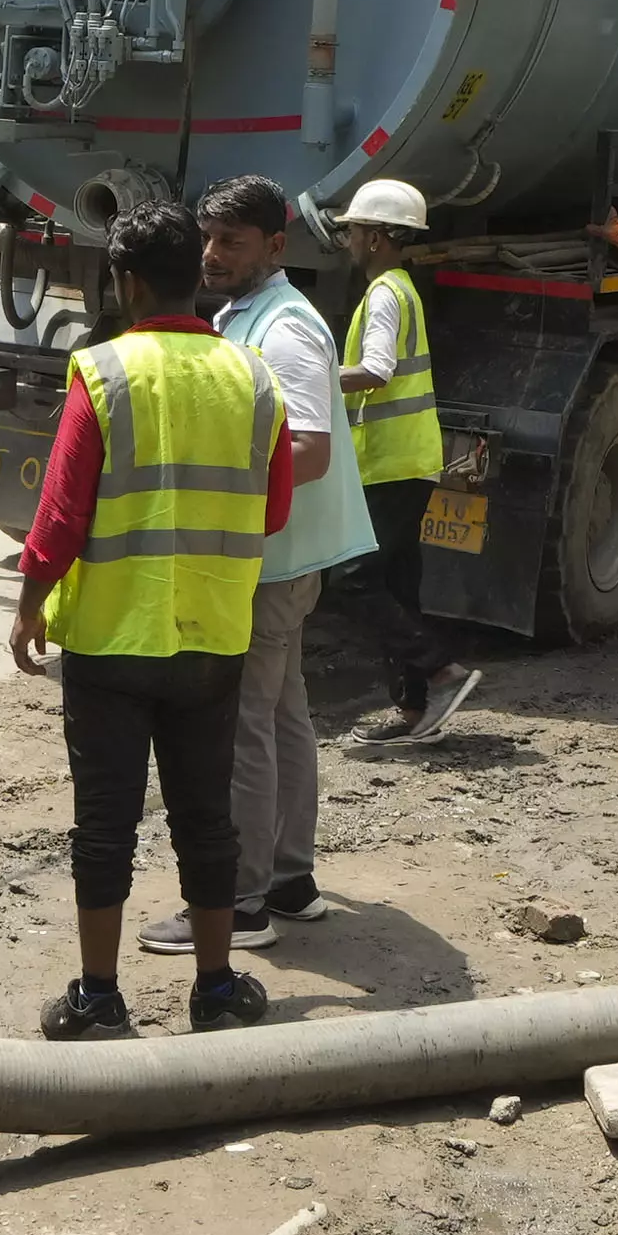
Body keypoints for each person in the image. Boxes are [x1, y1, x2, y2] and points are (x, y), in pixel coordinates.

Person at [7, 201, 292, 1041]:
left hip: (109, 641)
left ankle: (99, 997)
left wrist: (29, 604)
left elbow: (60, 516)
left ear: (125, 281)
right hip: (211, 633)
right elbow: (272, 510)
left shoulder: (102, 372)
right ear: (193, 277)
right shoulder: (253, 376)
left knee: (105, 820)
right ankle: (214, 989)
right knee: (207, 816)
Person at [170, 173, 379, 945]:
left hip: (269, 559)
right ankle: (291, 882)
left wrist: (213, 504)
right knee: (285, 715)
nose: (213, 253)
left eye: (232, 241)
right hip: (281, 557)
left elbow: (309, 450)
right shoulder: (251, 314)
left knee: (242, 727)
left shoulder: (285, 327)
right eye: (209, 238)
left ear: (276, 246)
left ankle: (243, 901)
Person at [328, 175, 483, 746]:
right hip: (403, 461)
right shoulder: (399, 288)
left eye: (355, 231)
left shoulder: (386, 294)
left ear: (376, 238)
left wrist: (304, 376)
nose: (348, 239)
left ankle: (441, 671)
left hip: (392, 464)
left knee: (350, 579)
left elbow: (376, 370)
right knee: (396, 582)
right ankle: (417, 711)